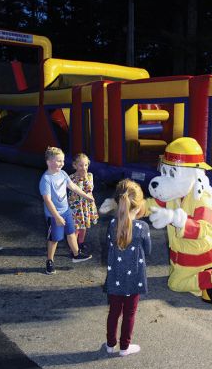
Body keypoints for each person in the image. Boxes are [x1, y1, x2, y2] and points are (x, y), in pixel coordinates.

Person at [104, 179, 151, 356]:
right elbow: (148, 250)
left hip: (115, 275)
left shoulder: (112, 225)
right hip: (135, 278)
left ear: (118, 203)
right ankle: (125, 347)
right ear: (138, 206)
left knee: (114, 312)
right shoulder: (143, 227)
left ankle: (110, 345)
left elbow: (109, 245)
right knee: (129, 313)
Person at [39, 146, 94, 275]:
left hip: (66, 210)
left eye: (62, 161)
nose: (61, 163)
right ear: (49, 162)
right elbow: (48, 201)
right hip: (54, 215)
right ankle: (49, 261)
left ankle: (76, 254)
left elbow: (73, 186)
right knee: (54, 238)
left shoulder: (62, 174)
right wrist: (57, 217)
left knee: (71, 232)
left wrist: (86, 196)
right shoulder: (46, 179)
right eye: (58, 161)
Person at [68, 153, 98, 258]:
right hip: (76, 207)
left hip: (85, 205)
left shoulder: (89, 176)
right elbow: (75, 189)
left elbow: (89, 189)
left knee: (84, 225)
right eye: (80, 165)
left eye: (85, 165)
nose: (83, 168)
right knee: (76, 227)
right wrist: (79, 178)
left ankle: (81, 242)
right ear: (75, 166)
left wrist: (84, 177)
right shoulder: (71, 177)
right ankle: (74, 247)